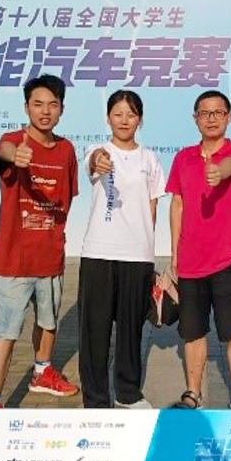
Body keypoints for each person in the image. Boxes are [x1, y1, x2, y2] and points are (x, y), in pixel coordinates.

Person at [0, 74, 80, 409]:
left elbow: (67, 198)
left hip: (50, 257)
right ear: (26, 107)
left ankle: (42, 372)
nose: (45, 111)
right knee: (6, 330)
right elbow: (4, 150)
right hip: (13, 260)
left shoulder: (66, 150)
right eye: (38, 104)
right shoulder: (14, 141)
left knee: (48, 321)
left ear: (61, 109)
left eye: (52, 104)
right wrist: (16, 156)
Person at [166, 90, 231, 409]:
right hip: (191, 261)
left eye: (218, 112)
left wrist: (221, 170)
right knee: (192, 332)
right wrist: (174, 254)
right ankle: (193, 392)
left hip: (230, 258)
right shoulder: (183, 158)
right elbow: (177, 204)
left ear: (229, 117)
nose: (212, 118)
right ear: (195, 119)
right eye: (205, 113)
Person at [78, 90, 166, 409]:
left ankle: (127, 394)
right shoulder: (98, 151)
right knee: (95, 330)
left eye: (131, 114)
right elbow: (94, 162)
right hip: (99, 252)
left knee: (131, 329)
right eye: (118, 114)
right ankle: (95, 399)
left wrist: (149, 252)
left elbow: (152, 207)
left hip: (137, 255)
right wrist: (100, 162)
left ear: (140, 119)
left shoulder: (149, 159)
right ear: (108, 118)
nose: (124, 120)